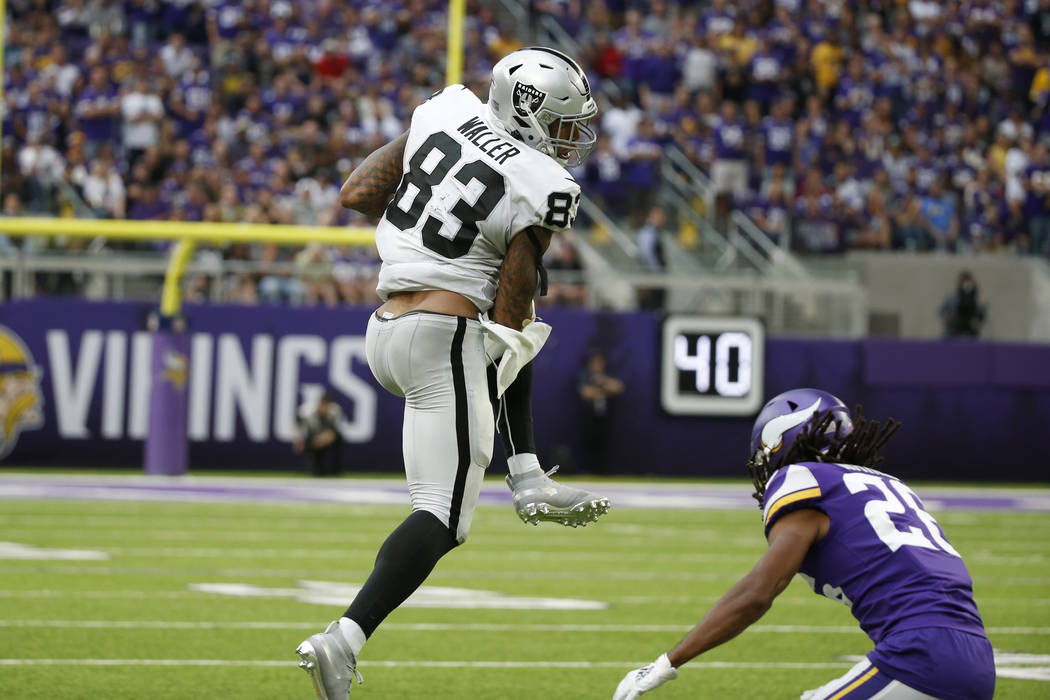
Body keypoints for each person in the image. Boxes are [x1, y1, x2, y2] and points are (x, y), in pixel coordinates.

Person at [296, 46, 611, 699]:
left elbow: (358, 192)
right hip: (444, 335)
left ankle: (527, 479)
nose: (569, 139)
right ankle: (343, 640)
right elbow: (512, 311)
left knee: (518, 316)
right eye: (559, 123)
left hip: (386, 328)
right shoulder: (545, 184)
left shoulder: (447, 110)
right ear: (525, 111)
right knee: (443, 517)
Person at [614, 388, 994, 700]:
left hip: (919, 655)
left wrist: (667, 663)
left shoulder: (801, 478)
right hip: (977, 657)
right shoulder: (888, 484)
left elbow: (759, 592)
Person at [577, 350, 624, 474]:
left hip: (604, 417)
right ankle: (587, 470)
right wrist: (604, 391)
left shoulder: (605, 377)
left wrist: (602, 383)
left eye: (600, 363)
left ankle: (602, 471)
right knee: (589, 443)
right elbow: (586, 393)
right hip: (588, 417)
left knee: (604, 444)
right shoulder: (585, 376)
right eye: (595, 363)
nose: (597, 365)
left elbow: (618, 387)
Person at [292, 392, 344, 477]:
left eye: (328, 406)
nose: (325, 408)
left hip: (328, 436)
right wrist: (298, 440)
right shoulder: (306, 411)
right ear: (320, 403)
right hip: (312, 435)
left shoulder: (335, 411)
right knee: (316, 467)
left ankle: (335, 470)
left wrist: (324, 439)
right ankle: (316, 469)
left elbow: (335, 430)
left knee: (339, 440)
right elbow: (298, 424)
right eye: (324, 405)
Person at [939, 270, 986, 339]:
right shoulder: (951, 297)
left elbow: (979, 316)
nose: (964, 284)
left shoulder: (974, 299)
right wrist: (947, 317)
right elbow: (942, 311)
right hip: (953, 329)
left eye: (967, 282)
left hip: (970, 329)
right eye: (962, 281)